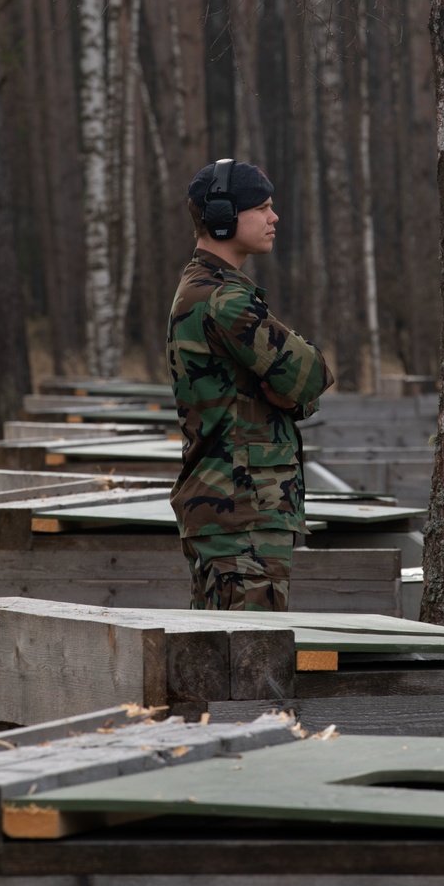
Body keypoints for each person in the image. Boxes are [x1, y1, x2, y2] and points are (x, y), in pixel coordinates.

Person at [166, 158, 333, 611]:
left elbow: (298, 386)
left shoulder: (211, 289)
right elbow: (311, 375)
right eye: (261, 207)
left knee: (226, 663)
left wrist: (294, 395)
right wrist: (294, 392)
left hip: (237, 512)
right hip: (241, 512)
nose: (273, 217)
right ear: (223, 218)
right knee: (250, 666)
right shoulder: (224, 299)